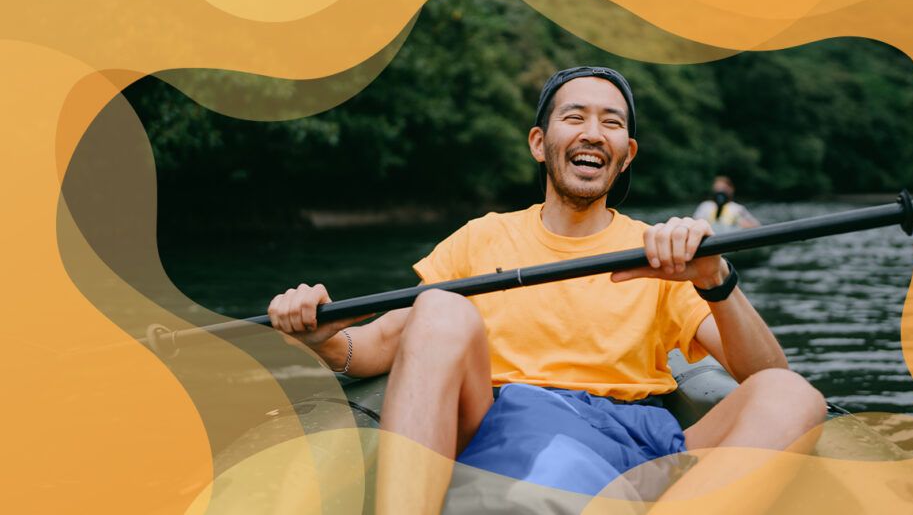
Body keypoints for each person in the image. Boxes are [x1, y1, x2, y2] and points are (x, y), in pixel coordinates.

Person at [266, 67, 824, 513]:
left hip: (639, 440)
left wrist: (714, 278)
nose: (591, 132)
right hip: (504, 423)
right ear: (540, 142)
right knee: (438, 306)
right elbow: (378, 346)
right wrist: (322, 340)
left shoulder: (661, 252)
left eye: (610, 122)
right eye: (574, 116)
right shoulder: (482, 237)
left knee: (796, 396)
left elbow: (765, 376)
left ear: (626, 153)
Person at [694, 175, 761, 228]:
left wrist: (742, 225)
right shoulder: (705, 206)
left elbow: (757, 226)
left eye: (723, 188)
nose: (720, 191)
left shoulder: (738, 208)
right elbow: (695, 223)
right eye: (717, 189)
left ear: (731, 189)